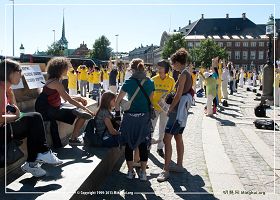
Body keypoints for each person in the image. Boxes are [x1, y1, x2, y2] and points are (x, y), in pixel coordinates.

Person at [0, 59, 63, 177]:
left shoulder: (5, 88)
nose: (21, 75)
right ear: (10, 73)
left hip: (6, 128)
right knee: (35, 117)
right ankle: (41, 154)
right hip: (2, 131)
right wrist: (15, 117)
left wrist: (10, 92)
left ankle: (33, 162)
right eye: (19, 71)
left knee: (34, 121)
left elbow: (14, 108)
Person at [36, 57, 94, 147]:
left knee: (81, 112)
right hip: (49, 111)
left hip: (50, 108)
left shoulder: (53, 81)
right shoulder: (56, 83)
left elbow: (65, 96)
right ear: (60, 69)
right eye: (66, 68)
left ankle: (74, 135)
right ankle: (73, 138)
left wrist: (79, 99)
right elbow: (69, 100)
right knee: (83, 114)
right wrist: (87, 109)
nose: (68, 70)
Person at [115, 58, 155, 181]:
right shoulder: (150, 82)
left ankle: (130, 171)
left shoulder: (128, 82)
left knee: (128, 144)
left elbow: (117, 102)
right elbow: (150, 102)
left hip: (129, 118)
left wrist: (117, 116)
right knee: (143, 144)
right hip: (144, 118)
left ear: (132, 69)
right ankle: (143, 173)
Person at [157, 48, 193, 182]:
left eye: (173, 63)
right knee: (178, 137)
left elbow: (178, 95)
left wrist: (169, 109)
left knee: (167, 139)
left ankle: (165, 170)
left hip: (176, 111)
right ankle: (179, 165)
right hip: (181, 111)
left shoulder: (183, 74)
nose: (172, 66)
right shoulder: (187, 72)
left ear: (178, 62)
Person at [151, 60, 175, 158]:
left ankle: (160, 147)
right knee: (151, 128)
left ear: (166, 69)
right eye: (158, 67)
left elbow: (173, 93)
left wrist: (169, 100)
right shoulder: (153, 79)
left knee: (163, 129)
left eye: (161, 68)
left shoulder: (171, 80)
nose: (159, 69)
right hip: (154, 108)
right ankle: (147, 147)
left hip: (165, 108)